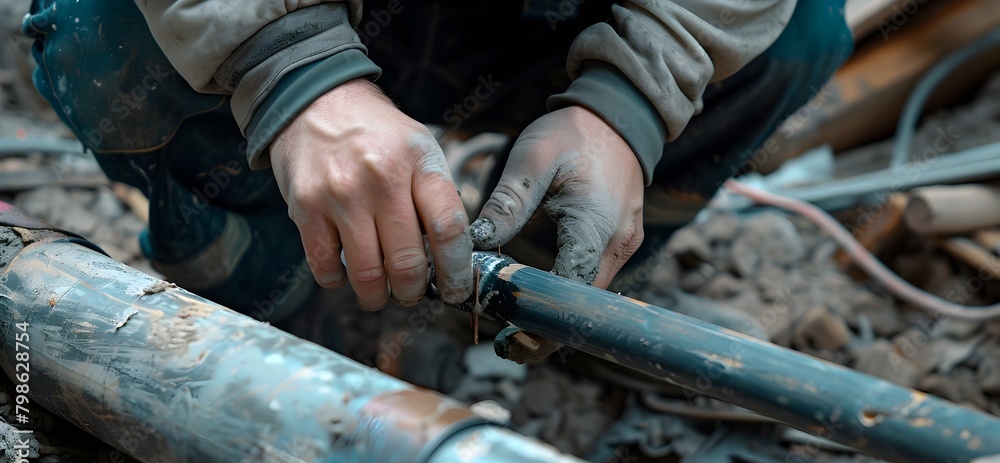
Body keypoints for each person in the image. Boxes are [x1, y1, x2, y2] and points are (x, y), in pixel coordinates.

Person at [23, 0, 852, 358]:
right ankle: (276, 298)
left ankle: (540, 295)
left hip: (548, 21)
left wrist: (630, 100)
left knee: (800, 33)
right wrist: (289, 67)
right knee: (102, 31)